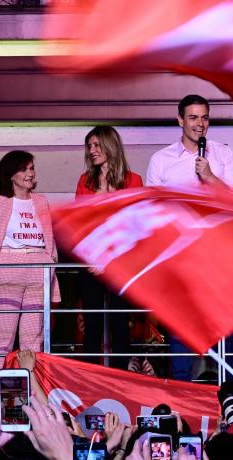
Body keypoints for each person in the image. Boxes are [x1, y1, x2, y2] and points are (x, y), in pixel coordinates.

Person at [146, 94, 233, 380]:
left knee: (222, 324)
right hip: (180, 253)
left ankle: (230, 392)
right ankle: (181, 395)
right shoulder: (161, 160)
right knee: (181, 326)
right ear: (180, 120)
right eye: (193, 117)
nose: (200, 124)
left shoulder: (223, 154)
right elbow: (153, 209)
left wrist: (211, 177)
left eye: (204, 117)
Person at [0, 151, 61, 392]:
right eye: (24, 169)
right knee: (0, 343)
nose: (30, 174)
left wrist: (50, 261)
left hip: (39, 266)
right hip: (7, 266)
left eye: (31, 168)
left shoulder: (41, 201)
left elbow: (50, 237)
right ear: (10, 174)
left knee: (33, 342)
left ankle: (32, 402)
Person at [75, 126, 142, 367]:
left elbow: (135, 227)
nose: (92, 151)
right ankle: (92, 383)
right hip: (91, 262)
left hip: (121, 263)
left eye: (96, 145)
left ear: (110, 146)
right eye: (89, 146)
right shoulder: (85, 181)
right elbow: (79, 226)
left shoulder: (133, 180)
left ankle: (120, 383)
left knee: (120, 325)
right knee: (91, 326)